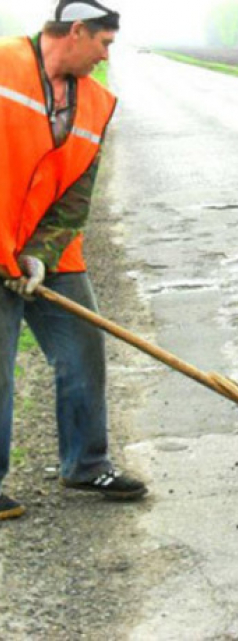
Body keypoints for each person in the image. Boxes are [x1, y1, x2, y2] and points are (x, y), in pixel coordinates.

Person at [0, 0, 147, 521]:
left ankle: (86, 463)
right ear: (77, 31)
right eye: (104, 44)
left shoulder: (97, 103)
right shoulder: (2, 68)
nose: (106, 56)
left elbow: (75, 197)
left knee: (84, 349)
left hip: (51, 251)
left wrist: (39, 254)